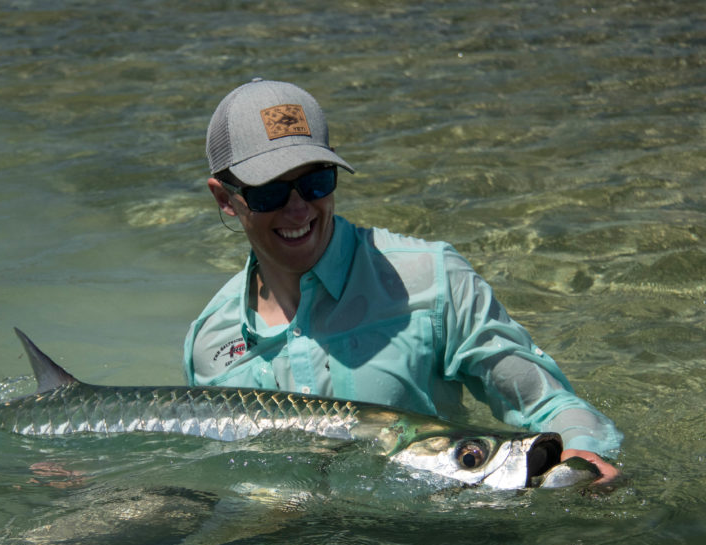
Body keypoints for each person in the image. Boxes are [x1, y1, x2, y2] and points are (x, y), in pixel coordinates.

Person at [183, 78, 622, 482]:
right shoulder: (210, 343)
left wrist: (580, 455)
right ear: (225, 199)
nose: (299, 210)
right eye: (270, 191)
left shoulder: (432, 279)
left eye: (316, 181)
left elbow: (551, 405)